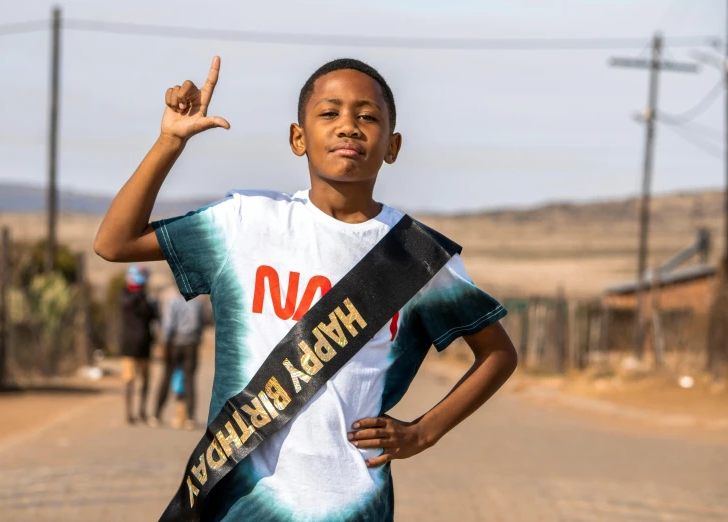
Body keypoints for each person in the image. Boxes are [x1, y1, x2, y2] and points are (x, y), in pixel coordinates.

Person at [94, 56, 518, 521]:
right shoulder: (247, 222)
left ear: (392, 146)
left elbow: (498, 354)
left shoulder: (418, 257)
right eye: (329, 113)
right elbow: (115, 243)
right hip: (238, 503)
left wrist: (423, 432)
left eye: (368, 116)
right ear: (298, 138)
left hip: (352, 505)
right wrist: (170, 141)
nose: (349, 127)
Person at [150, 292, 205, 430]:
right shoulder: (197, 303)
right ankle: (190, 418)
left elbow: (168, 324)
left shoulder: (173, 301)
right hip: (191, 344)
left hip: (174, 343)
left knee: (167, 377)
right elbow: (200, 325)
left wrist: (164, 342)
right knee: (189, 380)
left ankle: (156, 414)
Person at [119, 264, 155, 425]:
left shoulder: (146, 297)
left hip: (145, 345)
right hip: (129, 346)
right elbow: (127, 305)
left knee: (145, 381)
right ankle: (129, 413)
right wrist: (138, 292)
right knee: (129, 380)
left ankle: (142, 410)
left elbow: (153, 315)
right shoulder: (126, 295)